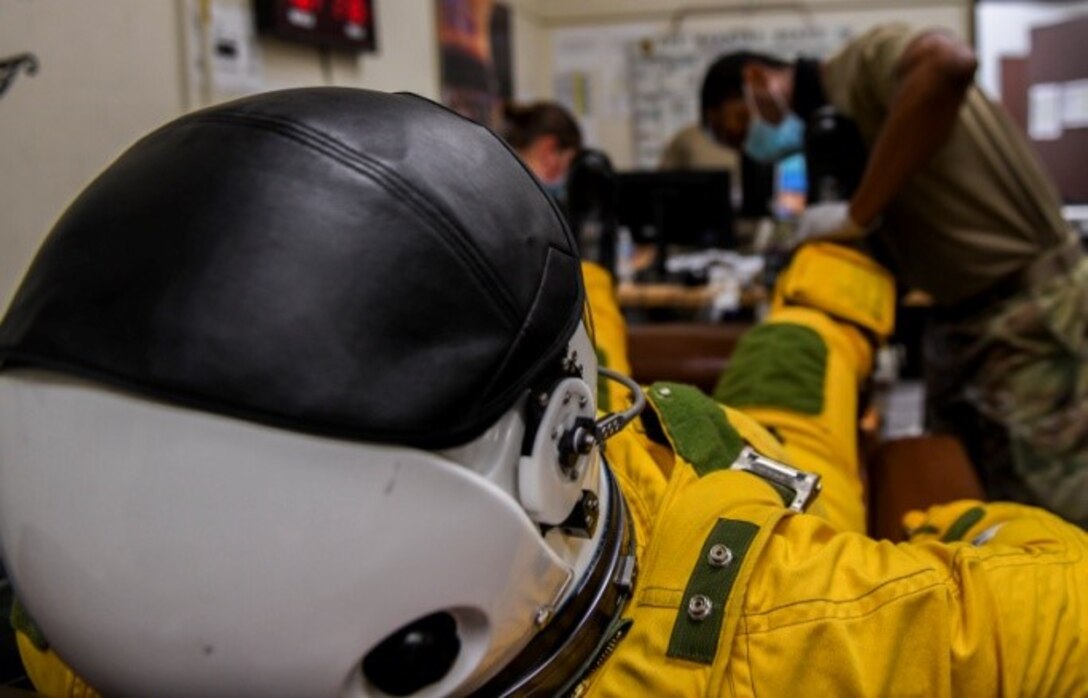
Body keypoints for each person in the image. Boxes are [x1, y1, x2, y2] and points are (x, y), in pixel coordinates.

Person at [0, 88, 1085, 696]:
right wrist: (960, 518)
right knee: (799, 342)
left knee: (598, 325)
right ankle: (837, 262)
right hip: (747, 525)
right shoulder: (806, 637)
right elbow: (1050, 603)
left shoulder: (76, 635)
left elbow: (566, 361)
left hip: (620, 467)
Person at [700, 24, 1088, 526]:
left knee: (1055, 509)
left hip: (1028, 305)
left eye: (736, 126)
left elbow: (947, 63)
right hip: (961, 319)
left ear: (757, 78)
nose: (747, 143)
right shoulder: (844, 126)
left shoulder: (858, 65)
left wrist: (857, 214)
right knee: (968, 505)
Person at [499, 99, 582, 199]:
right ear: (548, 149)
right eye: (566, 166)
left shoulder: (497, 183)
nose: (565, 176)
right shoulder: (524, 202)